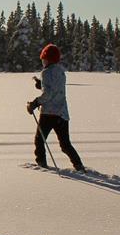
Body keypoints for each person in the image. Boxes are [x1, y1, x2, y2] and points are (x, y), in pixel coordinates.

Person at [27, 44, 85, 172]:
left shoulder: (46, 72)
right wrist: (40, 84)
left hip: (48, 114)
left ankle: (41, 164)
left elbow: (48, 94)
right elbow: (55, 89)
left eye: (44, 59)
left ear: (48, 59)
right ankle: (79, 165)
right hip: (62, 114)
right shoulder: (61, 71)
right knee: (65, 144)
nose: (42, 61)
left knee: (39, 140)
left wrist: (35, 103)